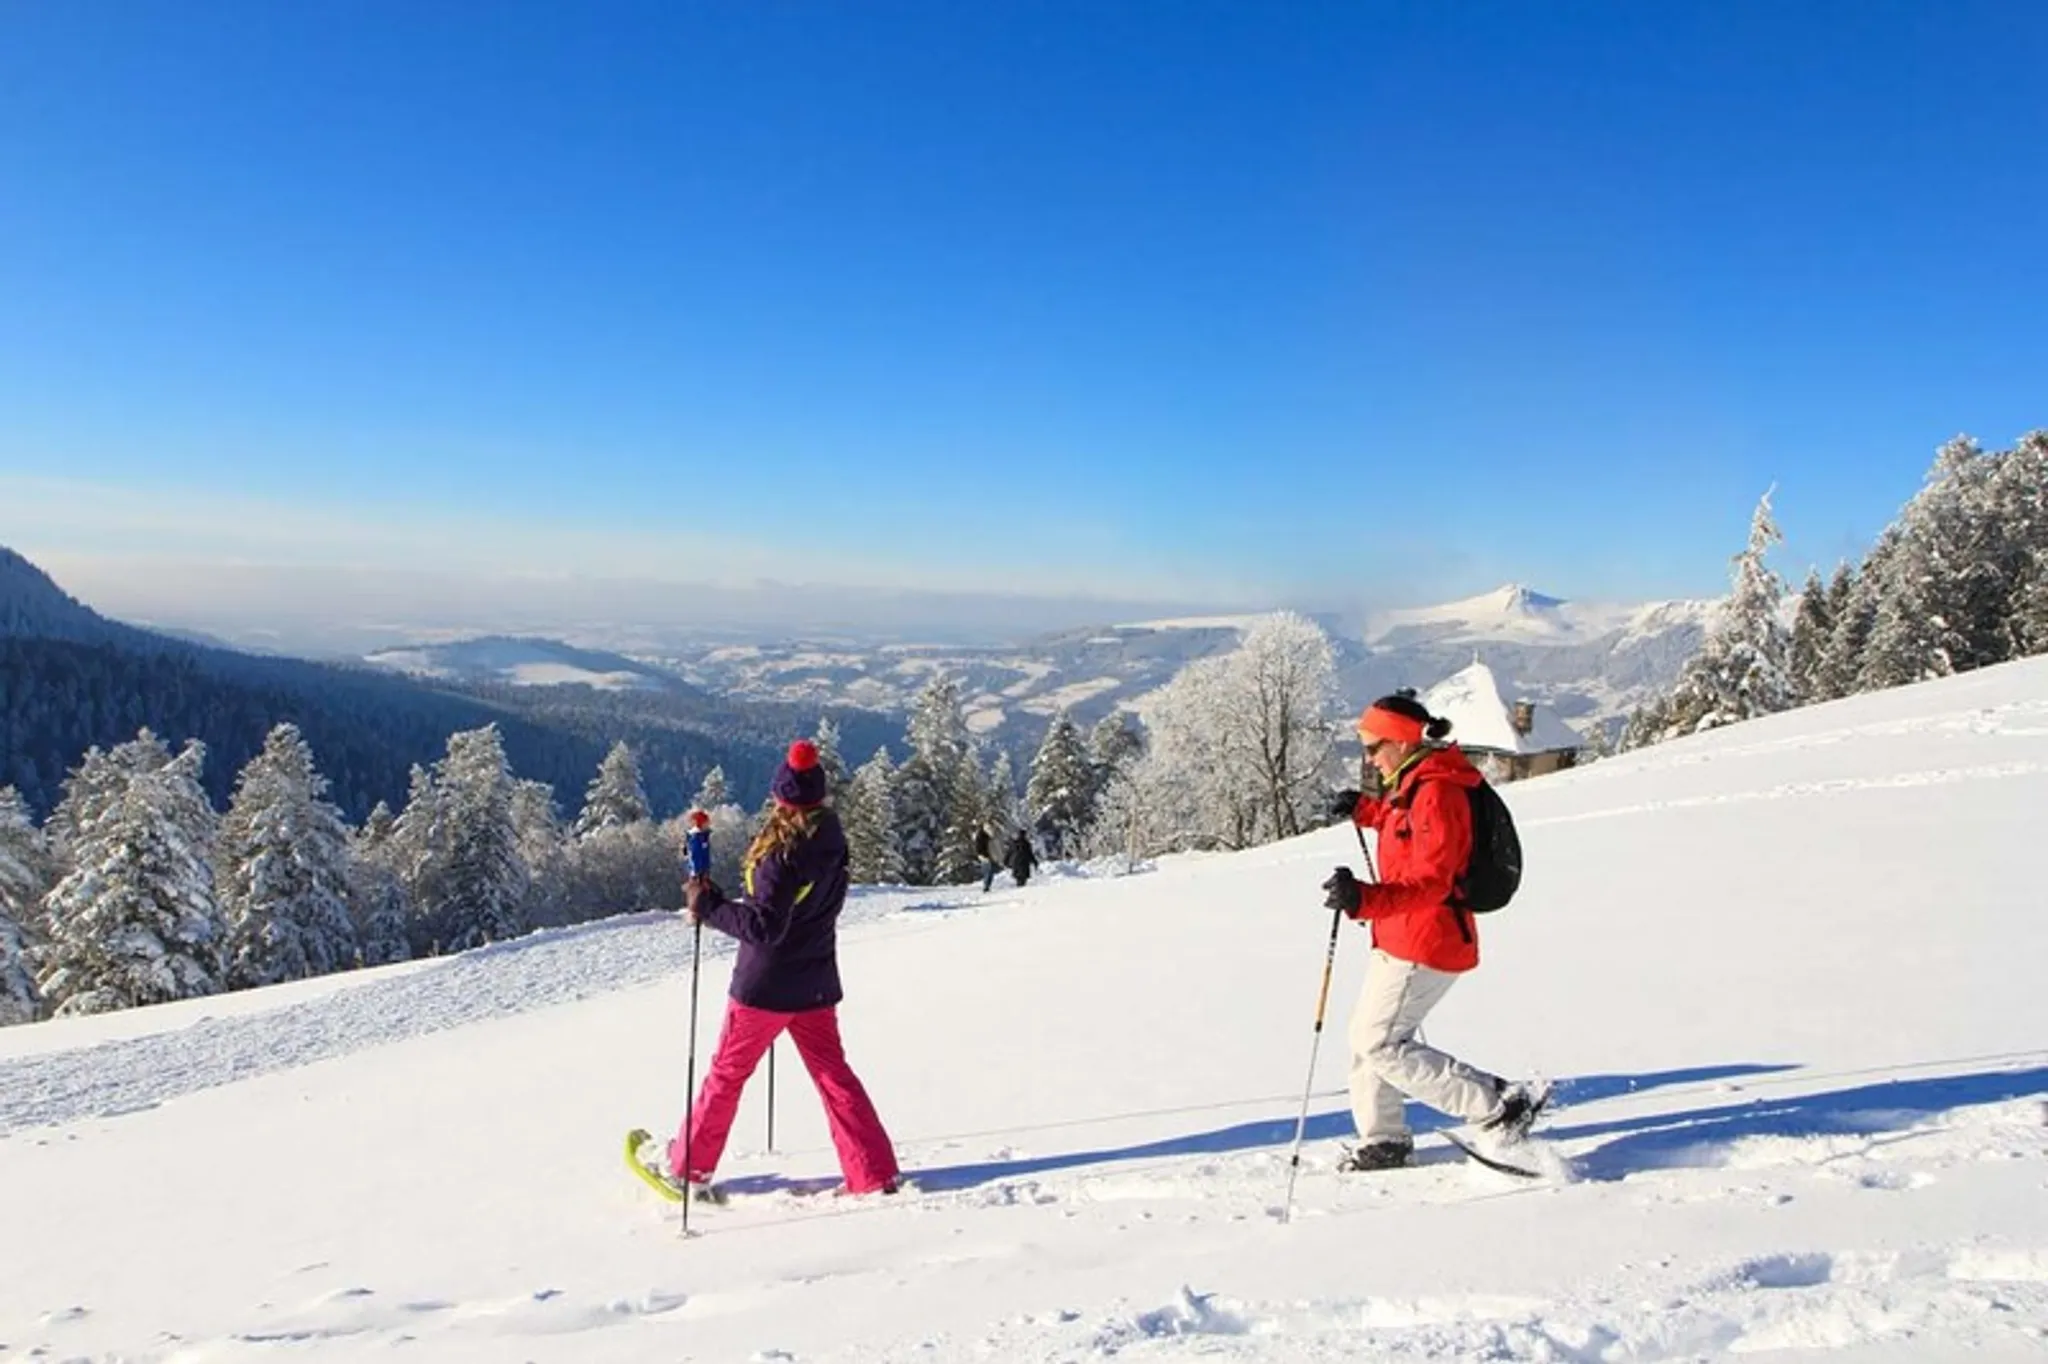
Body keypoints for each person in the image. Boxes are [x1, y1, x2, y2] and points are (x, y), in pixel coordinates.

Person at [1320, 692, 1543, 1172]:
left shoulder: (1438, 791)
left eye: (1374, 746)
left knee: (1380, 1043)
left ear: (1401, 742)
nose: (1368, 757)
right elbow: (1404, 828)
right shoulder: (1415, 781)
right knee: (1367, 1038)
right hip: (1399, 935)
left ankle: (1498, 1105)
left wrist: (1365, 898)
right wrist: (1364, 810)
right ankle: (1384, 1139)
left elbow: (1432, 881)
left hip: (1426, 942)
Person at [670, 739, 900, 1195]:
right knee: (834, 1075)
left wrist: (710, 905)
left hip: (765, 987)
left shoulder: (781, 855)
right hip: (815, 982)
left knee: (727, 1074)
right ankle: (873, 1172)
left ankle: (688, 1169)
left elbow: (764, 927)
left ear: (782, 798)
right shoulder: (832, 840)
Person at [974, 825, 999, 893]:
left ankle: (987, 886)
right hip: (984, 856)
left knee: (989, 871)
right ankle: (986, 886)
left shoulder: (984, 836)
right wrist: (981, 855)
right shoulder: (982, 837)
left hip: (986, 856)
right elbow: (979, 847)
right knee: (988, 871)